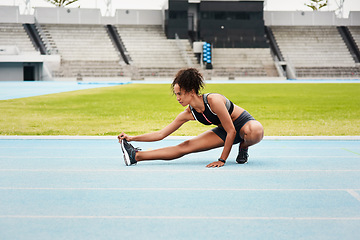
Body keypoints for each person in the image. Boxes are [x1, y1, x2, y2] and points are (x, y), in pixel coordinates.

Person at [118, 68, 264, 168]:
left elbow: (232, 130)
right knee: (185, 146)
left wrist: (222, 160)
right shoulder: (188, 113)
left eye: (180, 93)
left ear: (192, 91)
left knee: (255, 131)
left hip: (242, 124)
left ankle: (244, 146)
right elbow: (160, 134)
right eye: (176, 94)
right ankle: (136, 156)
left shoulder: (214, 101)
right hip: (225, 131)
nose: (177, 98)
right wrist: (131, 138)